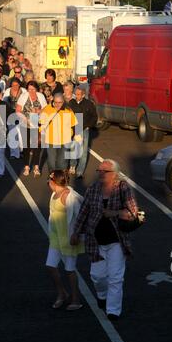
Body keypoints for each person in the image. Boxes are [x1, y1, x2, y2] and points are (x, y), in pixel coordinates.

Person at [70, 159, 139, 320]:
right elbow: (83, 212)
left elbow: (133, 213)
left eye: (104, 171)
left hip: (117, 241)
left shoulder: (123, 188)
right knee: (97, 276)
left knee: (115, 277)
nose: (100, 174)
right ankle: (102, 295)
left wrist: (114, 213)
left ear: (115, 174)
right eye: (99, 171)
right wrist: (75, 232)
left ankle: (113, 310)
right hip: (95, 241)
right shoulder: (92, 189)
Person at [46, 170, 84, 310]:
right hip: (56, 237)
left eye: (49, 181)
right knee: (50, 266)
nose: (48, 183)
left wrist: (77, 234)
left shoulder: (70, 197)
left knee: (69, 269)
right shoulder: (53, 194)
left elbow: (80, 217)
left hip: (69, 237)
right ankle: (62, 293)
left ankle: (76, 299)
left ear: (53, 181)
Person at [40, 93, 79, 173]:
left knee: (62, 162)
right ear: (53, 101)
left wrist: (73, 135)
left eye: (60, 102)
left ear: (63, 101)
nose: (57, 104)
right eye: (56, 102)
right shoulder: (47, 109)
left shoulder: (68, 110)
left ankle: (61, 178)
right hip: (51, 140)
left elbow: (74, 124)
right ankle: (52, 176)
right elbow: (41, 123)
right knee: (51, 161)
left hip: (65, 140)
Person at [16, 81, 47, 177]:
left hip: (37, 124)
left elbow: (46, 109)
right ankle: (26, 166)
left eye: (33, 89)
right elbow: (18, 110)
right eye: (29, 89)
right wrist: (25, 119)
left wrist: (38, 111)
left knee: (37, 145)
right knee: (26, 146)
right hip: (25, 123)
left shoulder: (41, 96)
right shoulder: (23, 96)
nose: (31, 91)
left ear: (37, 89)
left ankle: (36, 167)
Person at [68, 86, 98, 177]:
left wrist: (89, 126)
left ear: (83, 95)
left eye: (78, 94)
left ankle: (80, 172)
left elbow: (94, 117)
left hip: (84, 129)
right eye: (75, 94)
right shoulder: (71, 103)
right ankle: (72, 166)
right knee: (73, 149)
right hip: (74, 129)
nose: (76, 96)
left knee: (84, 152)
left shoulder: (89, 104)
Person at [3, 78, 26, 159]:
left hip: (21, 114)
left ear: (19, 85)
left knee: (22, 134)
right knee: (12, 133)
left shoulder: (23, 91)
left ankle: (22, 150)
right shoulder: (7, 92)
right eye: (13, 85)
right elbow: (3, 104)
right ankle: (14, 153)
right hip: (11, 115)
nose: (15, 87)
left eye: (16, 85)